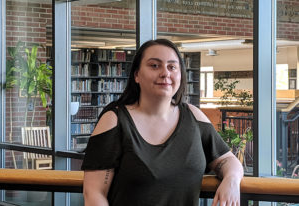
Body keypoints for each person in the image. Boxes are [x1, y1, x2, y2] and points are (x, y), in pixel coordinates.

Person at [81, 39, 244, 206]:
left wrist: (231, 180)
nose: (165, 73)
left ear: (180, 75)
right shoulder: (114, 120)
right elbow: (94, 194)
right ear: (136, 75)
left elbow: (229, 161)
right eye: (154, 66)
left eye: (172, 67)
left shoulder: (194, 117)